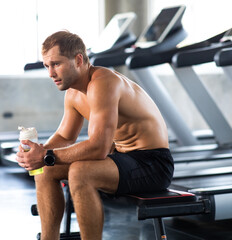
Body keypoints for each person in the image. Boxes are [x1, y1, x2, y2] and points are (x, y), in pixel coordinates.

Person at [16, 30, 174, 240]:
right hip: (122, 158)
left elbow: (99, 147)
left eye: (56, 64)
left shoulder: (103, 82)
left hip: (153, 163)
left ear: (78, 59)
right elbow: (64, 136)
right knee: (45, 169)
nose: (51, 73)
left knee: (80, 172)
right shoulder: (73, 92)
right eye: (47, 66)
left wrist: (46, 156)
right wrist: (37, 155)